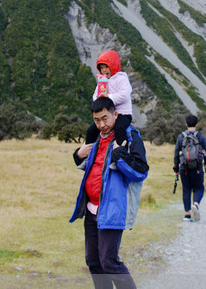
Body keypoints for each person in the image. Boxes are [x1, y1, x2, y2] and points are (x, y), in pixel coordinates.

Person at [70, 97, 148, 289]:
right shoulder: (96, 138)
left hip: (112, 208)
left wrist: (120, 155)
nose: (102, 124)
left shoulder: (130, 137)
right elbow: (90, 167)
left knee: (109, 262)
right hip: (91, 209)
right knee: (93, 261)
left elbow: (141, 171)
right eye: (97, 120)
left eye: (105, 118)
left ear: (115, 114)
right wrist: (78, 154)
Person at [86, 50, 133, 147]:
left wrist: (108, 98)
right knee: (91, 131)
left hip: (123, 113)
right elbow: (95, 95)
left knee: (119, 128)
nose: (104, 70)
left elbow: (124, 94)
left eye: (107, 67)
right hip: (107, 115)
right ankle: (87, 151)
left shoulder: (121, 78)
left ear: (114, 66)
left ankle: (121, 151)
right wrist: (98, 98)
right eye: (101, 68)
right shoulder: (103, 81)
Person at [173, 115, 206, 222]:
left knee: (186, 189)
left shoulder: (181, 136)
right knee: (199, 188)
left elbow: (176, 153)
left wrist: (176, 168)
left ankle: (187, 213)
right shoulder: (200, 136)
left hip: (184, 167)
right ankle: (196, 204)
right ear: (197, 124)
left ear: (186, 124)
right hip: (197, 167)